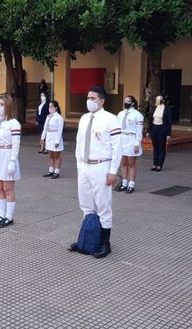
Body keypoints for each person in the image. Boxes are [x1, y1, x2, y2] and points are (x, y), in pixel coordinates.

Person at [69, 86, 122, 259]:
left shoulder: (110, 119)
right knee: (86, 205)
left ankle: (105, 243)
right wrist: (79, 165)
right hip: (84, 166)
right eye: (88, 97)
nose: (89, 101)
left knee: (103, 205)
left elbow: (117, 147)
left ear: (101, 101)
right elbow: (78, 143)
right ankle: (87, 240)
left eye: (93, 98)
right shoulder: (84, 118)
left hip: (101, 166)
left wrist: (113, 172)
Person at [0, 94, 21, 228]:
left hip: (7, 154)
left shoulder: (14, 123)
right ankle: (1, 214)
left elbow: (16, 144)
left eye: (2, 105)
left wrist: (13, 161)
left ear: (8, 106)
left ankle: (9, 216)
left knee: (8, 189)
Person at [115, 95, 144, 193]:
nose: (125, 103)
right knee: (123, 162)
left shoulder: (137, 115)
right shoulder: (120, 113)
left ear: (132, 103)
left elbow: (139, 131)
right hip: (122, 139)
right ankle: (124, 183)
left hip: (132, 139)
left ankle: (131, 184)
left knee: (131, 163)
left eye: (128, 101)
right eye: (124, 101)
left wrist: (137, 143)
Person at [40, 101, 64, 179]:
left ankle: (57, 171)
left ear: (56, 108)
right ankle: (51, 170)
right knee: (50, 155)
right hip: (49, 137)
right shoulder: (48, 116)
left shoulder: (59, 118)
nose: (50, 108)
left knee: (56, 155)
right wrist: (42, 138)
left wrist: (57, 141)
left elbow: (60, 130)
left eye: (51, 107)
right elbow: (45, 128)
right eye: (49, 107)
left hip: (55, 136)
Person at [148, 95, 172, 171]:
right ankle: (155, 163)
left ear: (163, 100)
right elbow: (150, 120)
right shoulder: (154, 108)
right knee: (155, 146)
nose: (158, 101)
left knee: (161, 147)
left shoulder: (167, 109)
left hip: (162, 129)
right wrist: (149, 131)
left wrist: (168, 134)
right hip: (154, 128)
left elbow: (169, 122)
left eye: (160, 100)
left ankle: (160, 164)